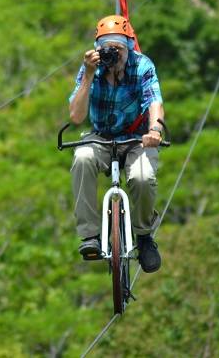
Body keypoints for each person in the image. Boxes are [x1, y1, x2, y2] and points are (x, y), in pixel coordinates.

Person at [68, 14, 165, 273]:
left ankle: (144, 236)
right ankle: (90, 236)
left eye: (118, 49)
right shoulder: (91, 68)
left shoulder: (142, 65)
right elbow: (76, 116)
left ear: (129, 45)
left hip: (137, 140)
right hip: (101, 137)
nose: (114, 55)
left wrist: (155, 129)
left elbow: (154, 101)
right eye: (107, 49)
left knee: (143, 176)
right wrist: (89, 74)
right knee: (82, 158)